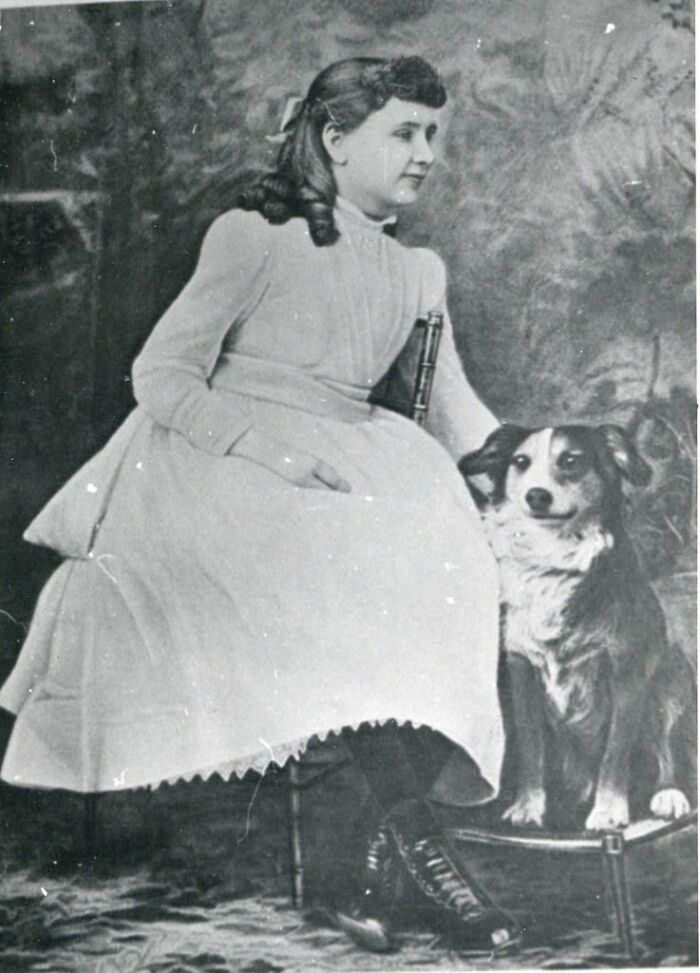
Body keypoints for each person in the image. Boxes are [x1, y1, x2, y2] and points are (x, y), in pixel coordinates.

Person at [0, 56, 518, 954]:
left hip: (352, 452)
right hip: (216, 462)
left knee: (458, 570)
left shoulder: (417, 272)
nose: (426, 152)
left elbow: (452, 411)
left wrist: (551, 455)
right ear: (335, 139)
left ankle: (372, 853)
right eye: (404, 131)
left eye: (433, 133)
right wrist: (276, 453)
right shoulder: (255, 237)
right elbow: (163, 373)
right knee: (344, 559)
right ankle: (422, 856)